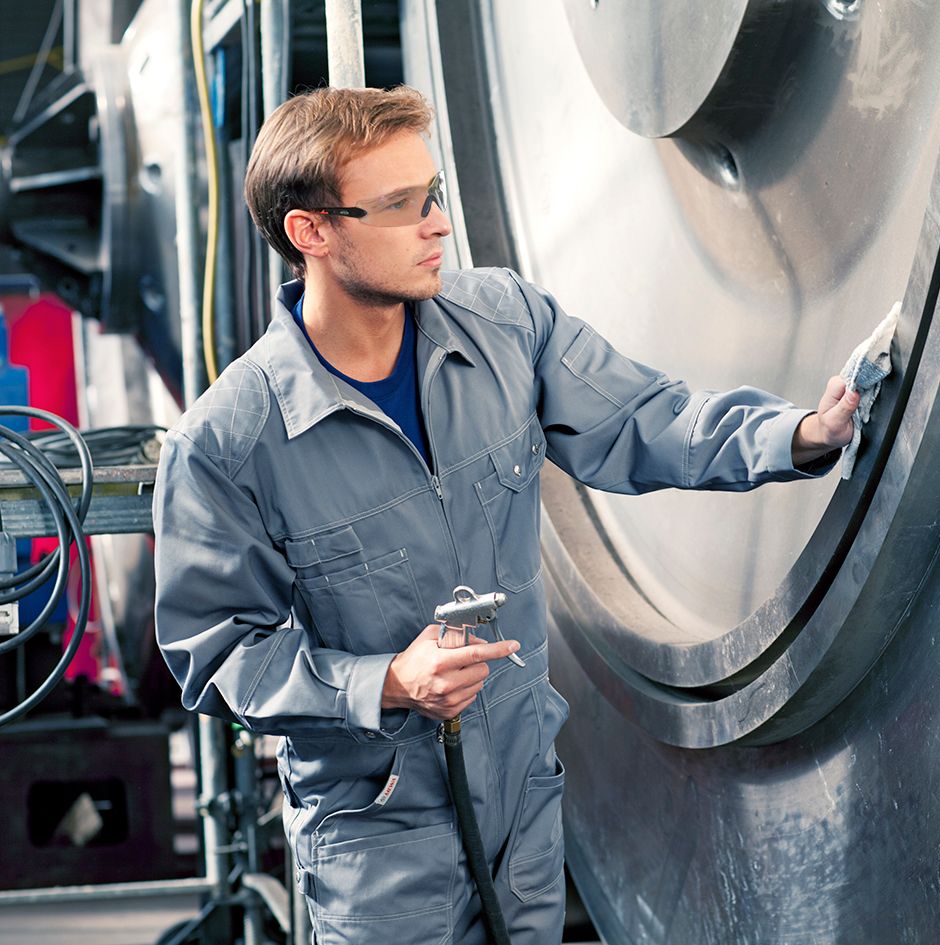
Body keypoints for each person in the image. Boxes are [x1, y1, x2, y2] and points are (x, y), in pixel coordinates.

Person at [153, 85, 857, 945]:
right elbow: (219, 649)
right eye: (403, 206)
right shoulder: (229, 441)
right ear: (313, 232)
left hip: (524, 805)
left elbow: (644, 420)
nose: (437, 224)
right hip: (378, 842)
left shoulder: (505, 324)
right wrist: (385, 682)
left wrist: (800, 433)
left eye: (434, 194)